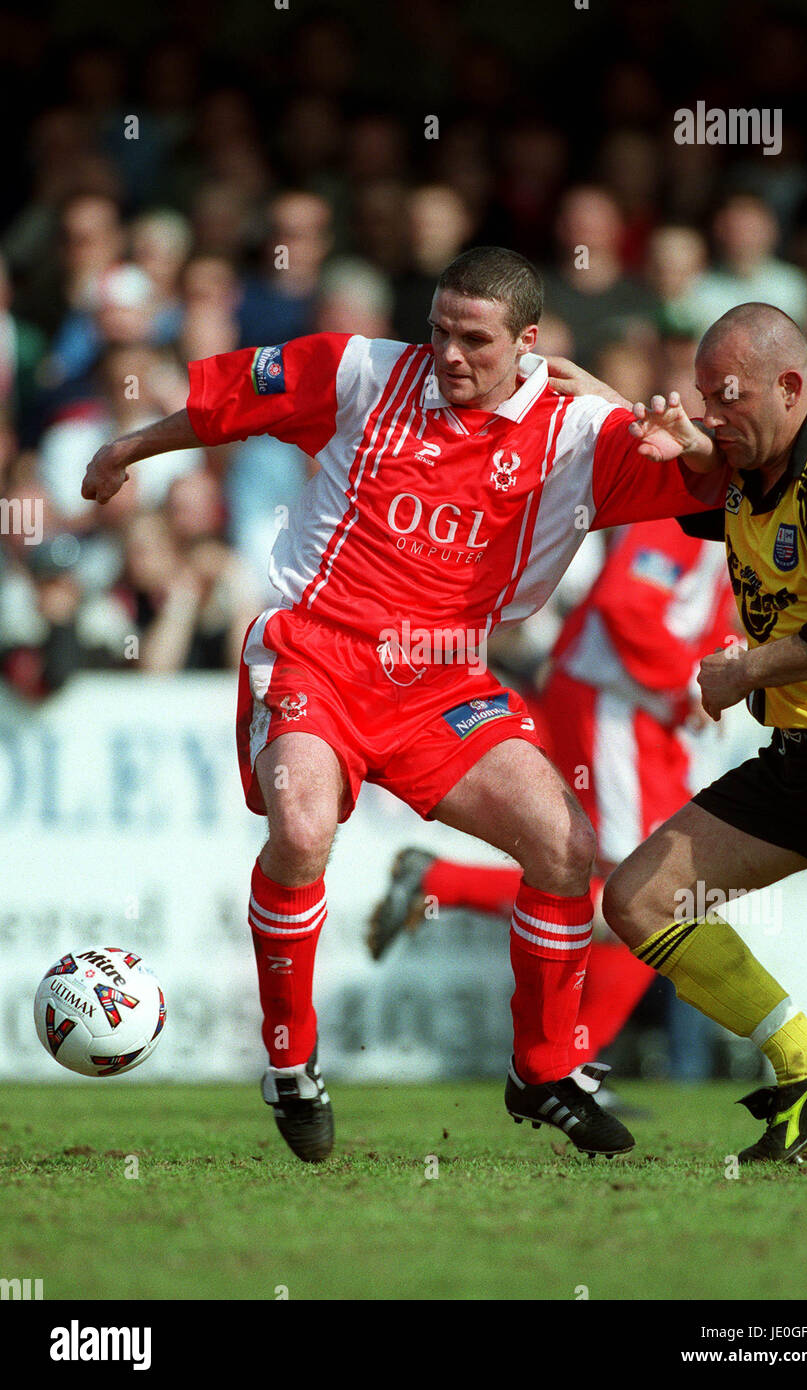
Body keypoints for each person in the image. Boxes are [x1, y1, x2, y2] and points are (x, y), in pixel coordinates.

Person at [81, 246, 727, 1163]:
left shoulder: (580, 435)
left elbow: (720, 481)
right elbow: (232, 403)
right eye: (438, 329)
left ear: (527, 344)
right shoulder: (364, 372)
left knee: (565, 847)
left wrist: (686, 440)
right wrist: (127, 447)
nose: (449, 354)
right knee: (303, 832)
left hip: (447, 684)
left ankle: (544, 1069)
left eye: (474, 339)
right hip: (317, 651)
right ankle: (290, 1060)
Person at [600, 302, 807, 1164]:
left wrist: (747, 670)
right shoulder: (758, 461)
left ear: (791, 387)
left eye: (729, 400)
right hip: (802, 762)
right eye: (705, 399)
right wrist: (617, 407)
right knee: (638, 900)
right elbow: (705, 482)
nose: (715, 418)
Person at [367, 517, 735, 1083]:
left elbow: (682, 610)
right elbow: (624, 603)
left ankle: (569, 1066)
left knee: (659, 895)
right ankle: (565, 1064)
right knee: (649, 893)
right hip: (616, 704)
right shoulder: (690, 511)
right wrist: (691, 680)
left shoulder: (724, 511)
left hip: (635, 710)